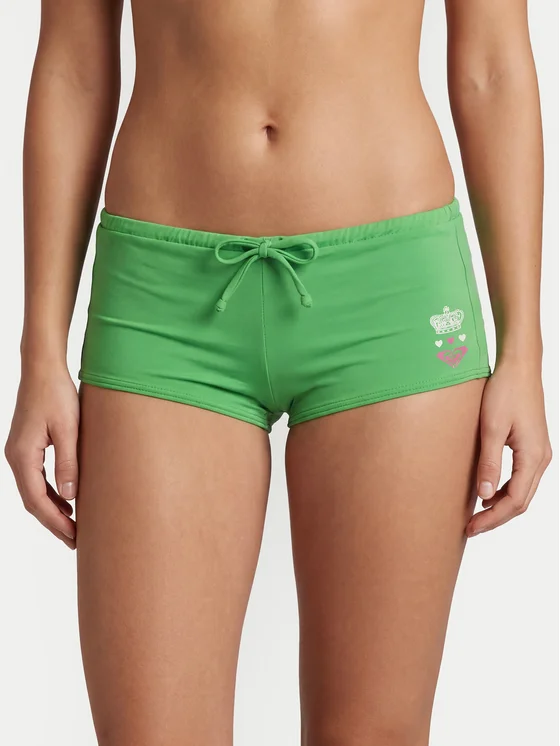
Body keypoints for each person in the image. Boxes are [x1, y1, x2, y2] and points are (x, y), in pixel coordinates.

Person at [4, 0, 552, 743]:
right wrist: (40, 350)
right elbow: (72, 66)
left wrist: (524, 351)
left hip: (390, 294)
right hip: (164, 302)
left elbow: (493, 66)